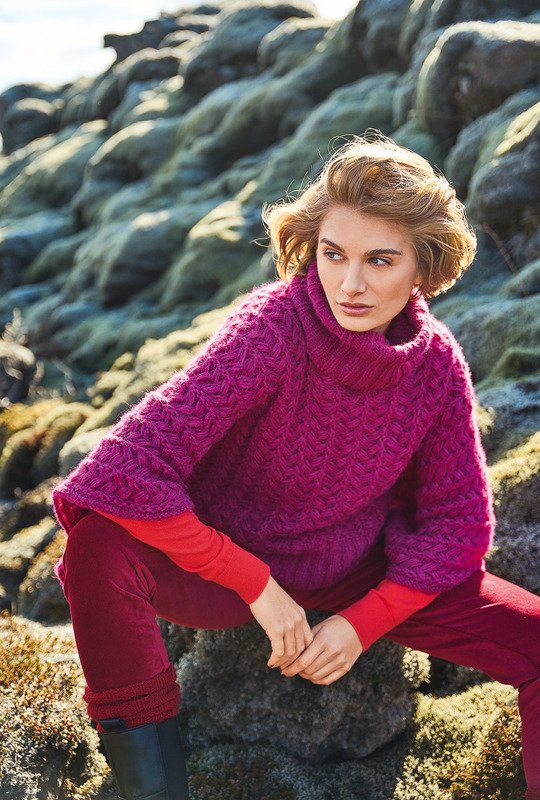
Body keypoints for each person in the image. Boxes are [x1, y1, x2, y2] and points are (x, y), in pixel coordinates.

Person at [51, 132, 540, 800]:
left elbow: (457, 526)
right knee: (97, 548)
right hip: (228, 565)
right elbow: (128, 468)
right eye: (333, 254)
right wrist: (254, 583)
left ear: (423, 269)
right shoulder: (271, 329)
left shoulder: (435, 366)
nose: (350, 283)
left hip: (360, 565)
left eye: (380, 260)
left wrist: (363, 622)